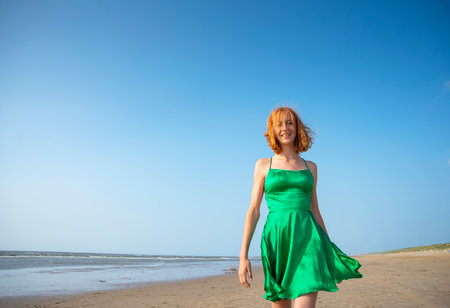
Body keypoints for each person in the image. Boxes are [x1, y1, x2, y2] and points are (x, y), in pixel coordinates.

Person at [238, 106, 363, 308]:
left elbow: (315, 211)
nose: (285, 128)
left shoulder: (310, 167)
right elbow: (253, 210)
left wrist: (329, 252)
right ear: (272, 130)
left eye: (289, 123)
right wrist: (243, 255)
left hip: (308, 239)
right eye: (279, 124)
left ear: (297, 128)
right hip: (278, 239)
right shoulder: (263, 165)